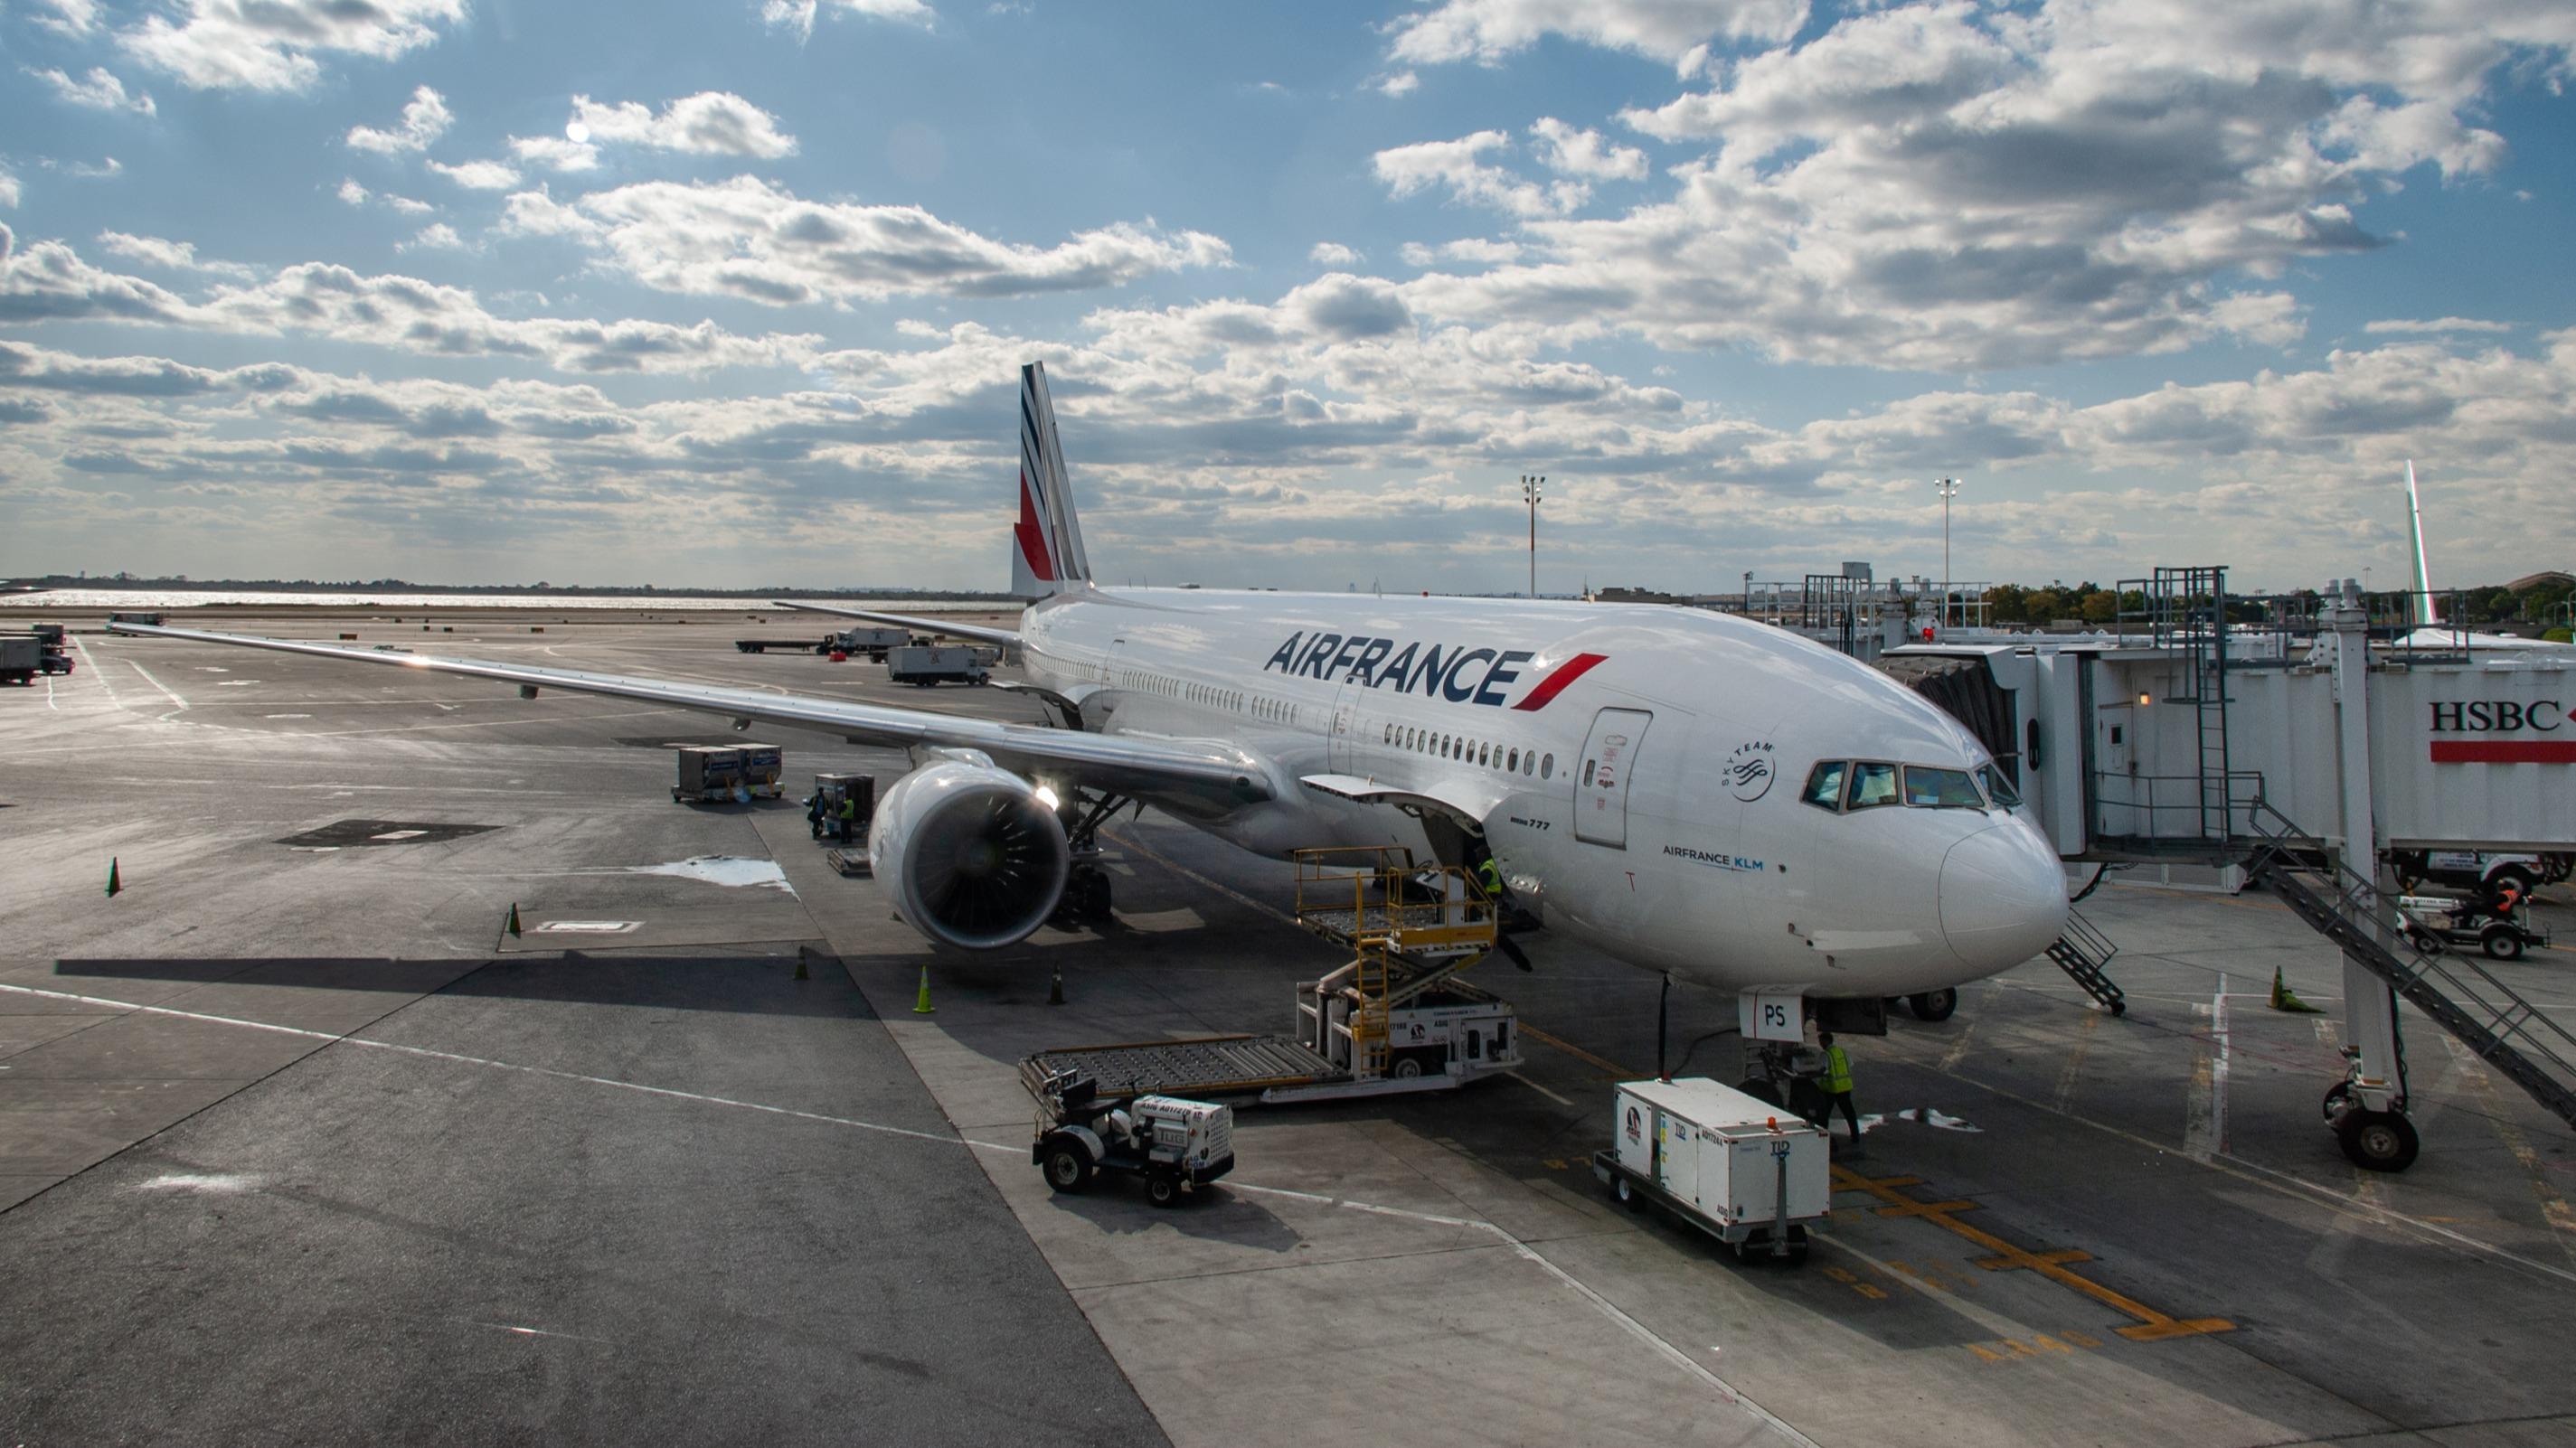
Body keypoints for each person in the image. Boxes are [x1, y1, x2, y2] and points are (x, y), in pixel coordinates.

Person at [1816, 1032, 1861, 1153]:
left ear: (1825, 1041)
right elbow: (1850, 1064)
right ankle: (1855, 1136)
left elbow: (1822, 1070)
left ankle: (1821, 1136)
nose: (1820, 1044)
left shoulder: (1826, 1055)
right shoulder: (1842, 1051)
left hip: (1831, 1089)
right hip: (1845, 1087)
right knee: (1850, 1113)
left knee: (1824, 1114)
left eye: (1820, 1041)